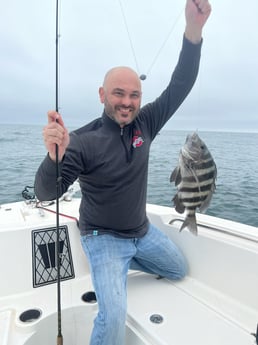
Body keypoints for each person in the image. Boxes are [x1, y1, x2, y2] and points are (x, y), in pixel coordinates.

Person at [35, 0, 211, 344]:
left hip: (141, 233)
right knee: (113, 319)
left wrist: (194, 32)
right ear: (103, 94)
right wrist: (54, 159)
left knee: (178, 270)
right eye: (118, 93)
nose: (127, 101)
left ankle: (116, 271)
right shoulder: (82, 141)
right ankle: (110, 270)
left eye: (134, 95)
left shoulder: (146, 122)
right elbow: (45, 194)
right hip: (102, 239)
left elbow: (180, 85)